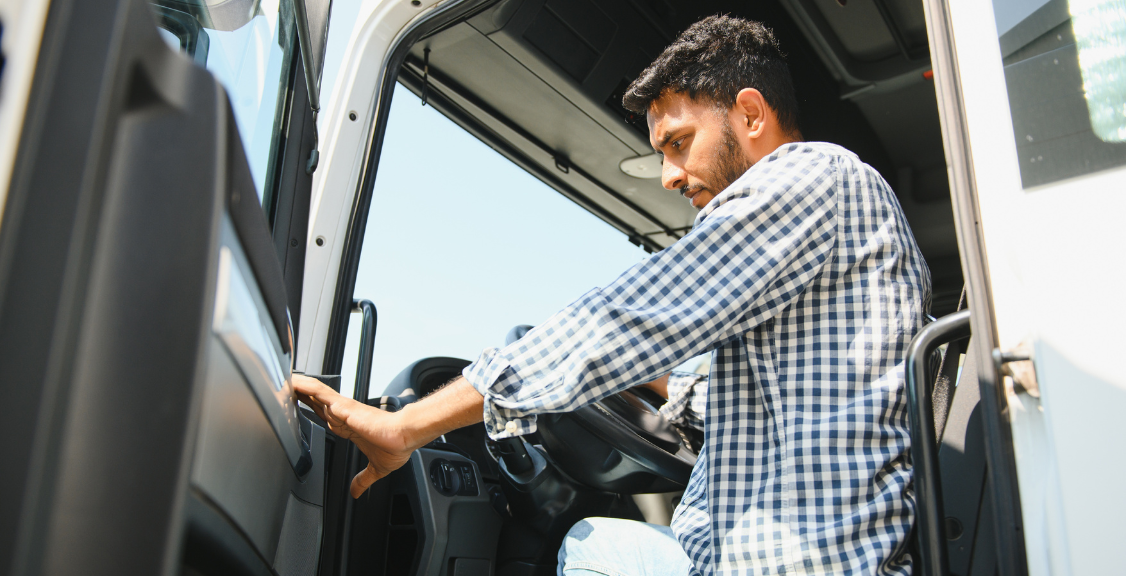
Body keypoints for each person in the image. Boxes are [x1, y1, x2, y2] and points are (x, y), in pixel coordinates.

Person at [294, 14, 930, 576]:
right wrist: (655, 380)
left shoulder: (808, 178)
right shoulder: (838, 208)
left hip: (793, 562)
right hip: (804, 552)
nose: (669, 176)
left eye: (679, 142)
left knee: (590, 544)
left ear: (751, 114)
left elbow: (627, 318)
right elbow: (763, 395)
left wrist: (405, 425)